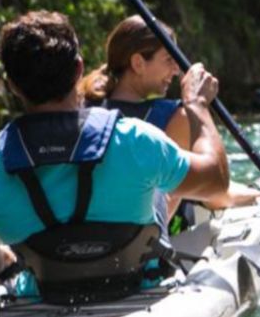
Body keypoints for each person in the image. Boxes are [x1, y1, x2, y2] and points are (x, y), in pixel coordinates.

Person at [0, 11, 258, 303]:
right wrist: (197, 105)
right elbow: (216, 181)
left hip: (43, 305)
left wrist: (5, 260)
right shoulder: (136, 141)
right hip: (140, 296)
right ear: (79, 70)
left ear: (11, 84)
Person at [80, 14, 230, 232]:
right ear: (138, 63)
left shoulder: (84, 111)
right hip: (145, 247)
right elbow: (201, 193)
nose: (176, 70)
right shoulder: (177, 117)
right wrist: (198, 106)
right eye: (169, 59)